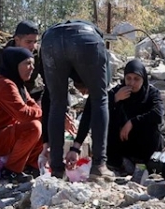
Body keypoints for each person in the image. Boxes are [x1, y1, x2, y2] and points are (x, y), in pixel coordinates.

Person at [40, 20, 115, 181]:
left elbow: (49, 98)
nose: (83, 93)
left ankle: (57, 170)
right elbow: (97, 102)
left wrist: (74, 145)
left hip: (51, 40)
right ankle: (99, 166)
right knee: (100, 99)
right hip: (86, 39)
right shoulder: (98, 47)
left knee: (57, 102)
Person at [72, 59, 165, 173]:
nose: (132, 83)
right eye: (128, 78)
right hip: (123, 143)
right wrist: (115, 99)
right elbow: (94, 108)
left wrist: (132, 122)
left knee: (152, 126)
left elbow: (158, 114)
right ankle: (117, 162)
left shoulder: (152, 93)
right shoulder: (118, 91)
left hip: (144, 144)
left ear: (143, 79)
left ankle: (145, 164)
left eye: (136, 79)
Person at [0, 47, 43, 181]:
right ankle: (11, 171)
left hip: (3, 133)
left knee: (42, 124)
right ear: (14, 64)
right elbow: (23, 114)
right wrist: (41, 112)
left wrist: (40, 113)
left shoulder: (16, 83)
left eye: (33, 64)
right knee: (34, 127)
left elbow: (31, 103)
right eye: (27, 63)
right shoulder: (4, 85)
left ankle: (31, 166)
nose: (31, 68)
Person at [0, 20, 42, 97]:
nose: (33, 46)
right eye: (28, 42)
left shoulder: (38, 52)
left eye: (35, 42)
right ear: (17, 40)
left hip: (29, 94)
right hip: (5, 96)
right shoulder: (0, 53)